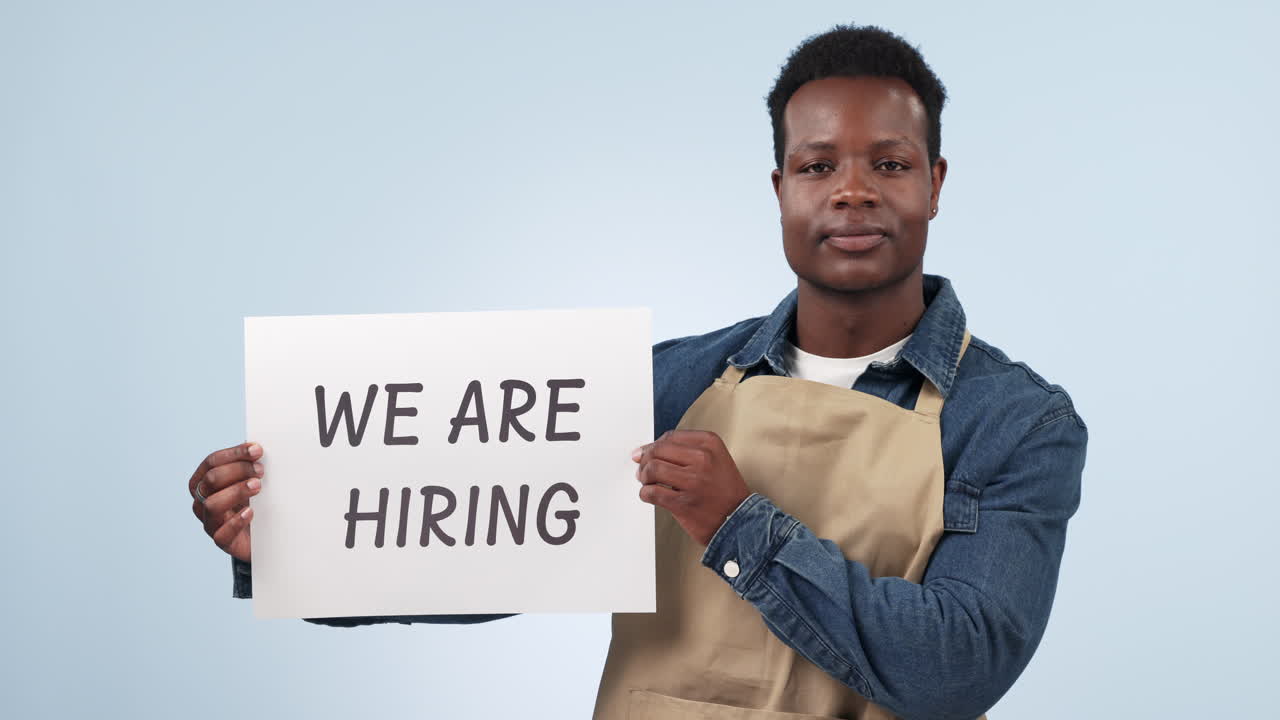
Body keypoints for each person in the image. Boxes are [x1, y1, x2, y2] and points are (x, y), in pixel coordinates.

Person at [188, 24, 1087, 720]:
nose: (853, 191)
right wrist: (298, 549)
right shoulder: (665, 383)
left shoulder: (1014, 422)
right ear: (780, 188)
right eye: (819, 166)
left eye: (888, 164)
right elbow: (489, 553)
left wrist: (738, 522)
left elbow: (955, 671)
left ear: (934, 183)